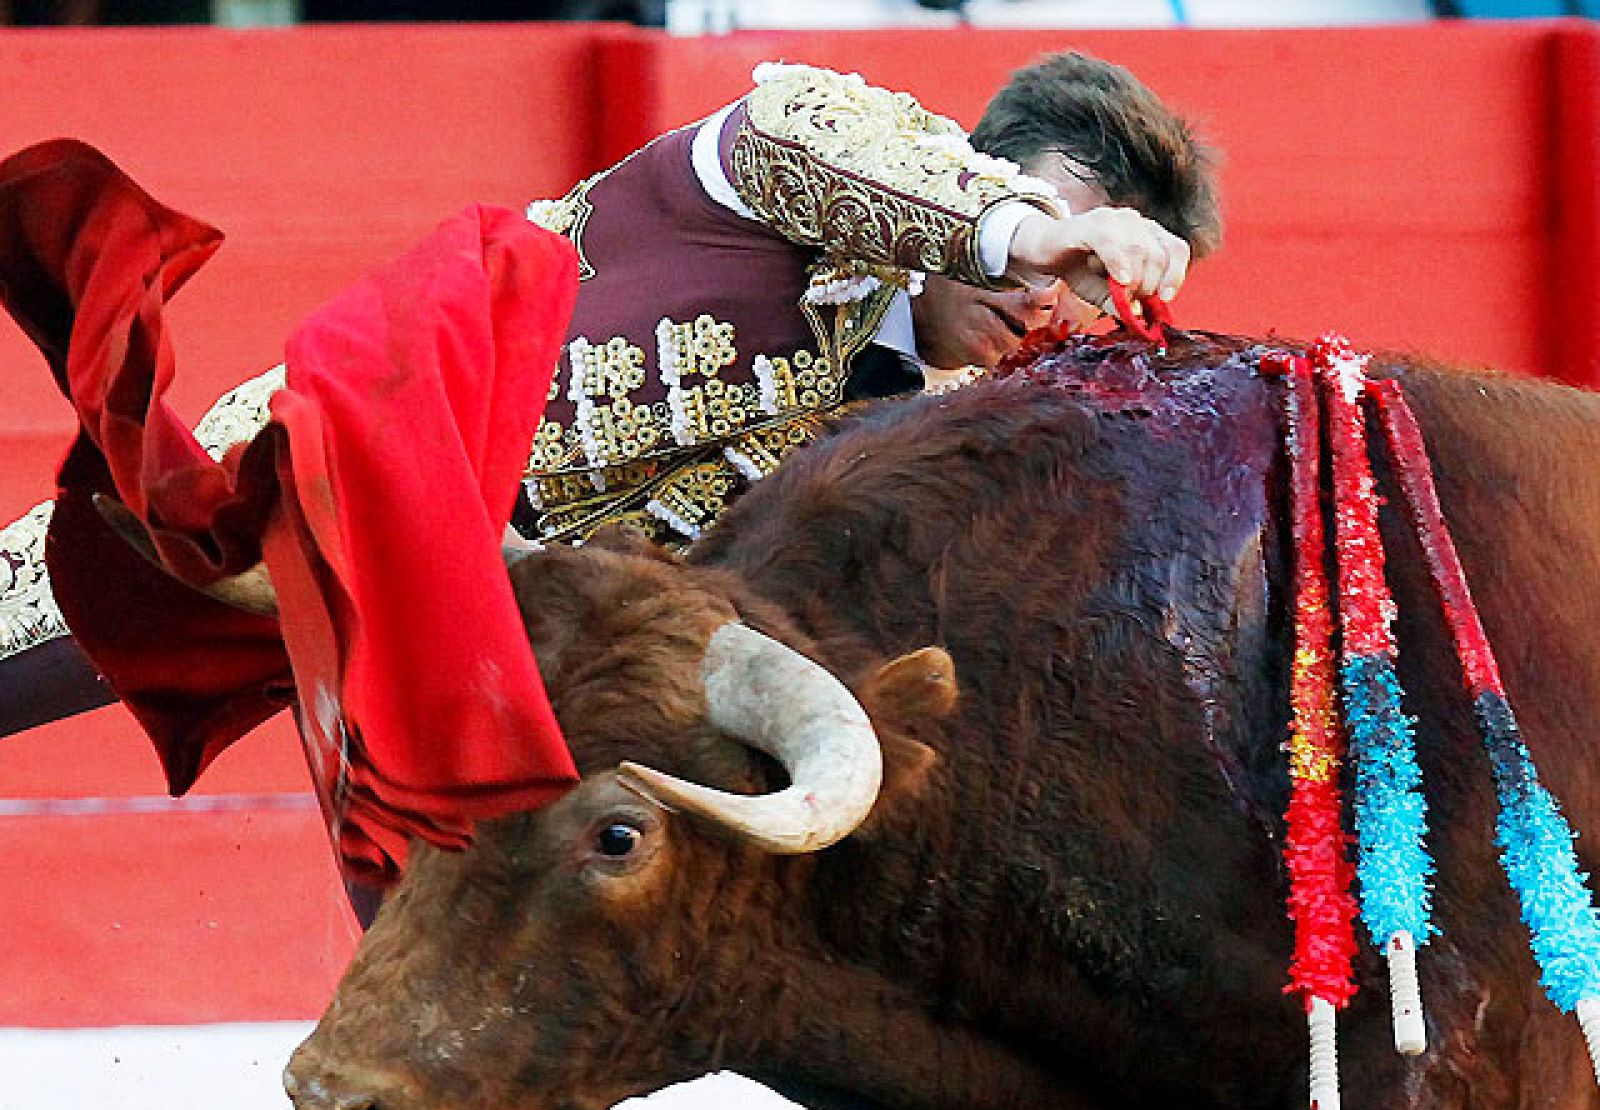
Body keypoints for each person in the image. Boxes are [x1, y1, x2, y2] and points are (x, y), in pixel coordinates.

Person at [0, 50, 1218, 736]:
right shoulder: (811, 156)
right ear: (971, 167)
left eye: (1091, 285)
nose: (1056, 297)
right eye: (1073, 235)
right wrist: (1013, 233)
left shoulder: (920, 439)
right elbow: (802, 137)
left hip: (465, 661)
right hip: (304, 488)